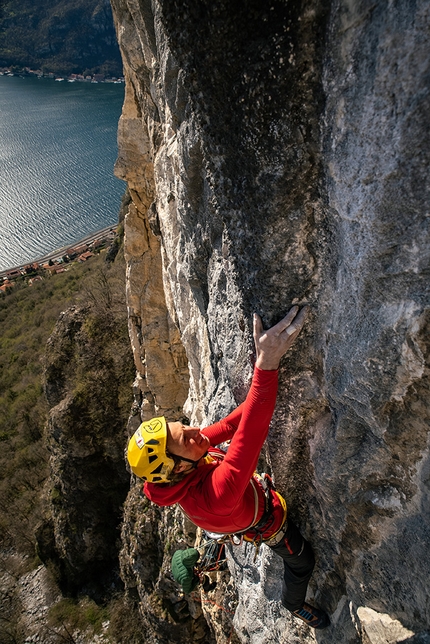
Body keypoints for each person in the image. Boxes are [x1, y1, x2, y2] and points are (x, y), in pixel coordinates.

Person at [127, 305, 330, 629]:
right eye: (188, 439)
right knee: (303, 561)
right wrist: (268, 363)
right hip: (268, 522)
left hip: (250, 498)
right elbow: (251, 431)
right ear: (176, 469)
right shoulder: (215, 495)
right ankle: (293, 605)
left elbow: (234, 423)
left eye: (184, 426)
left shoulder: (184, 457)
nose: (197, 431)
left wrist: (263, 368)